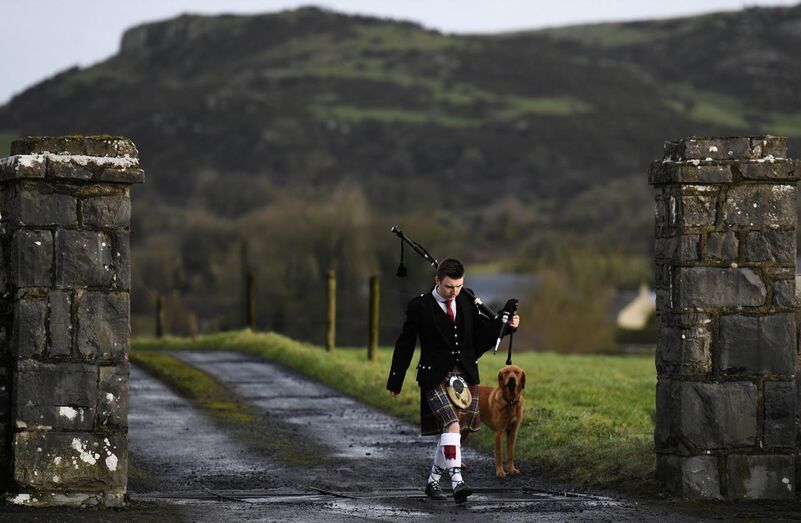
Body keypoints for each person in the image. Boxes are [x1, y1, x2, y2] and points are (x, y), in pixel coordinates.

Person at [386, 258, 520, 503]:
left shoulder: (467, 299)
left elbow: (481, 336)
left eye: (459, 286)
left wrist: (507, 326)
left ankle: (433, 481)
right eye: (449, 287)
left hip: (465, 375)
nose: (454, 292)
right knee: (453, 425)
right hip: (434, 376)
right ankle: (457, 481)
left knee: (452, 431)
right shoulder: (420, 306)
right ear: (437, 280)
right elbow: (405, 344)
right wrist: (395, 379)